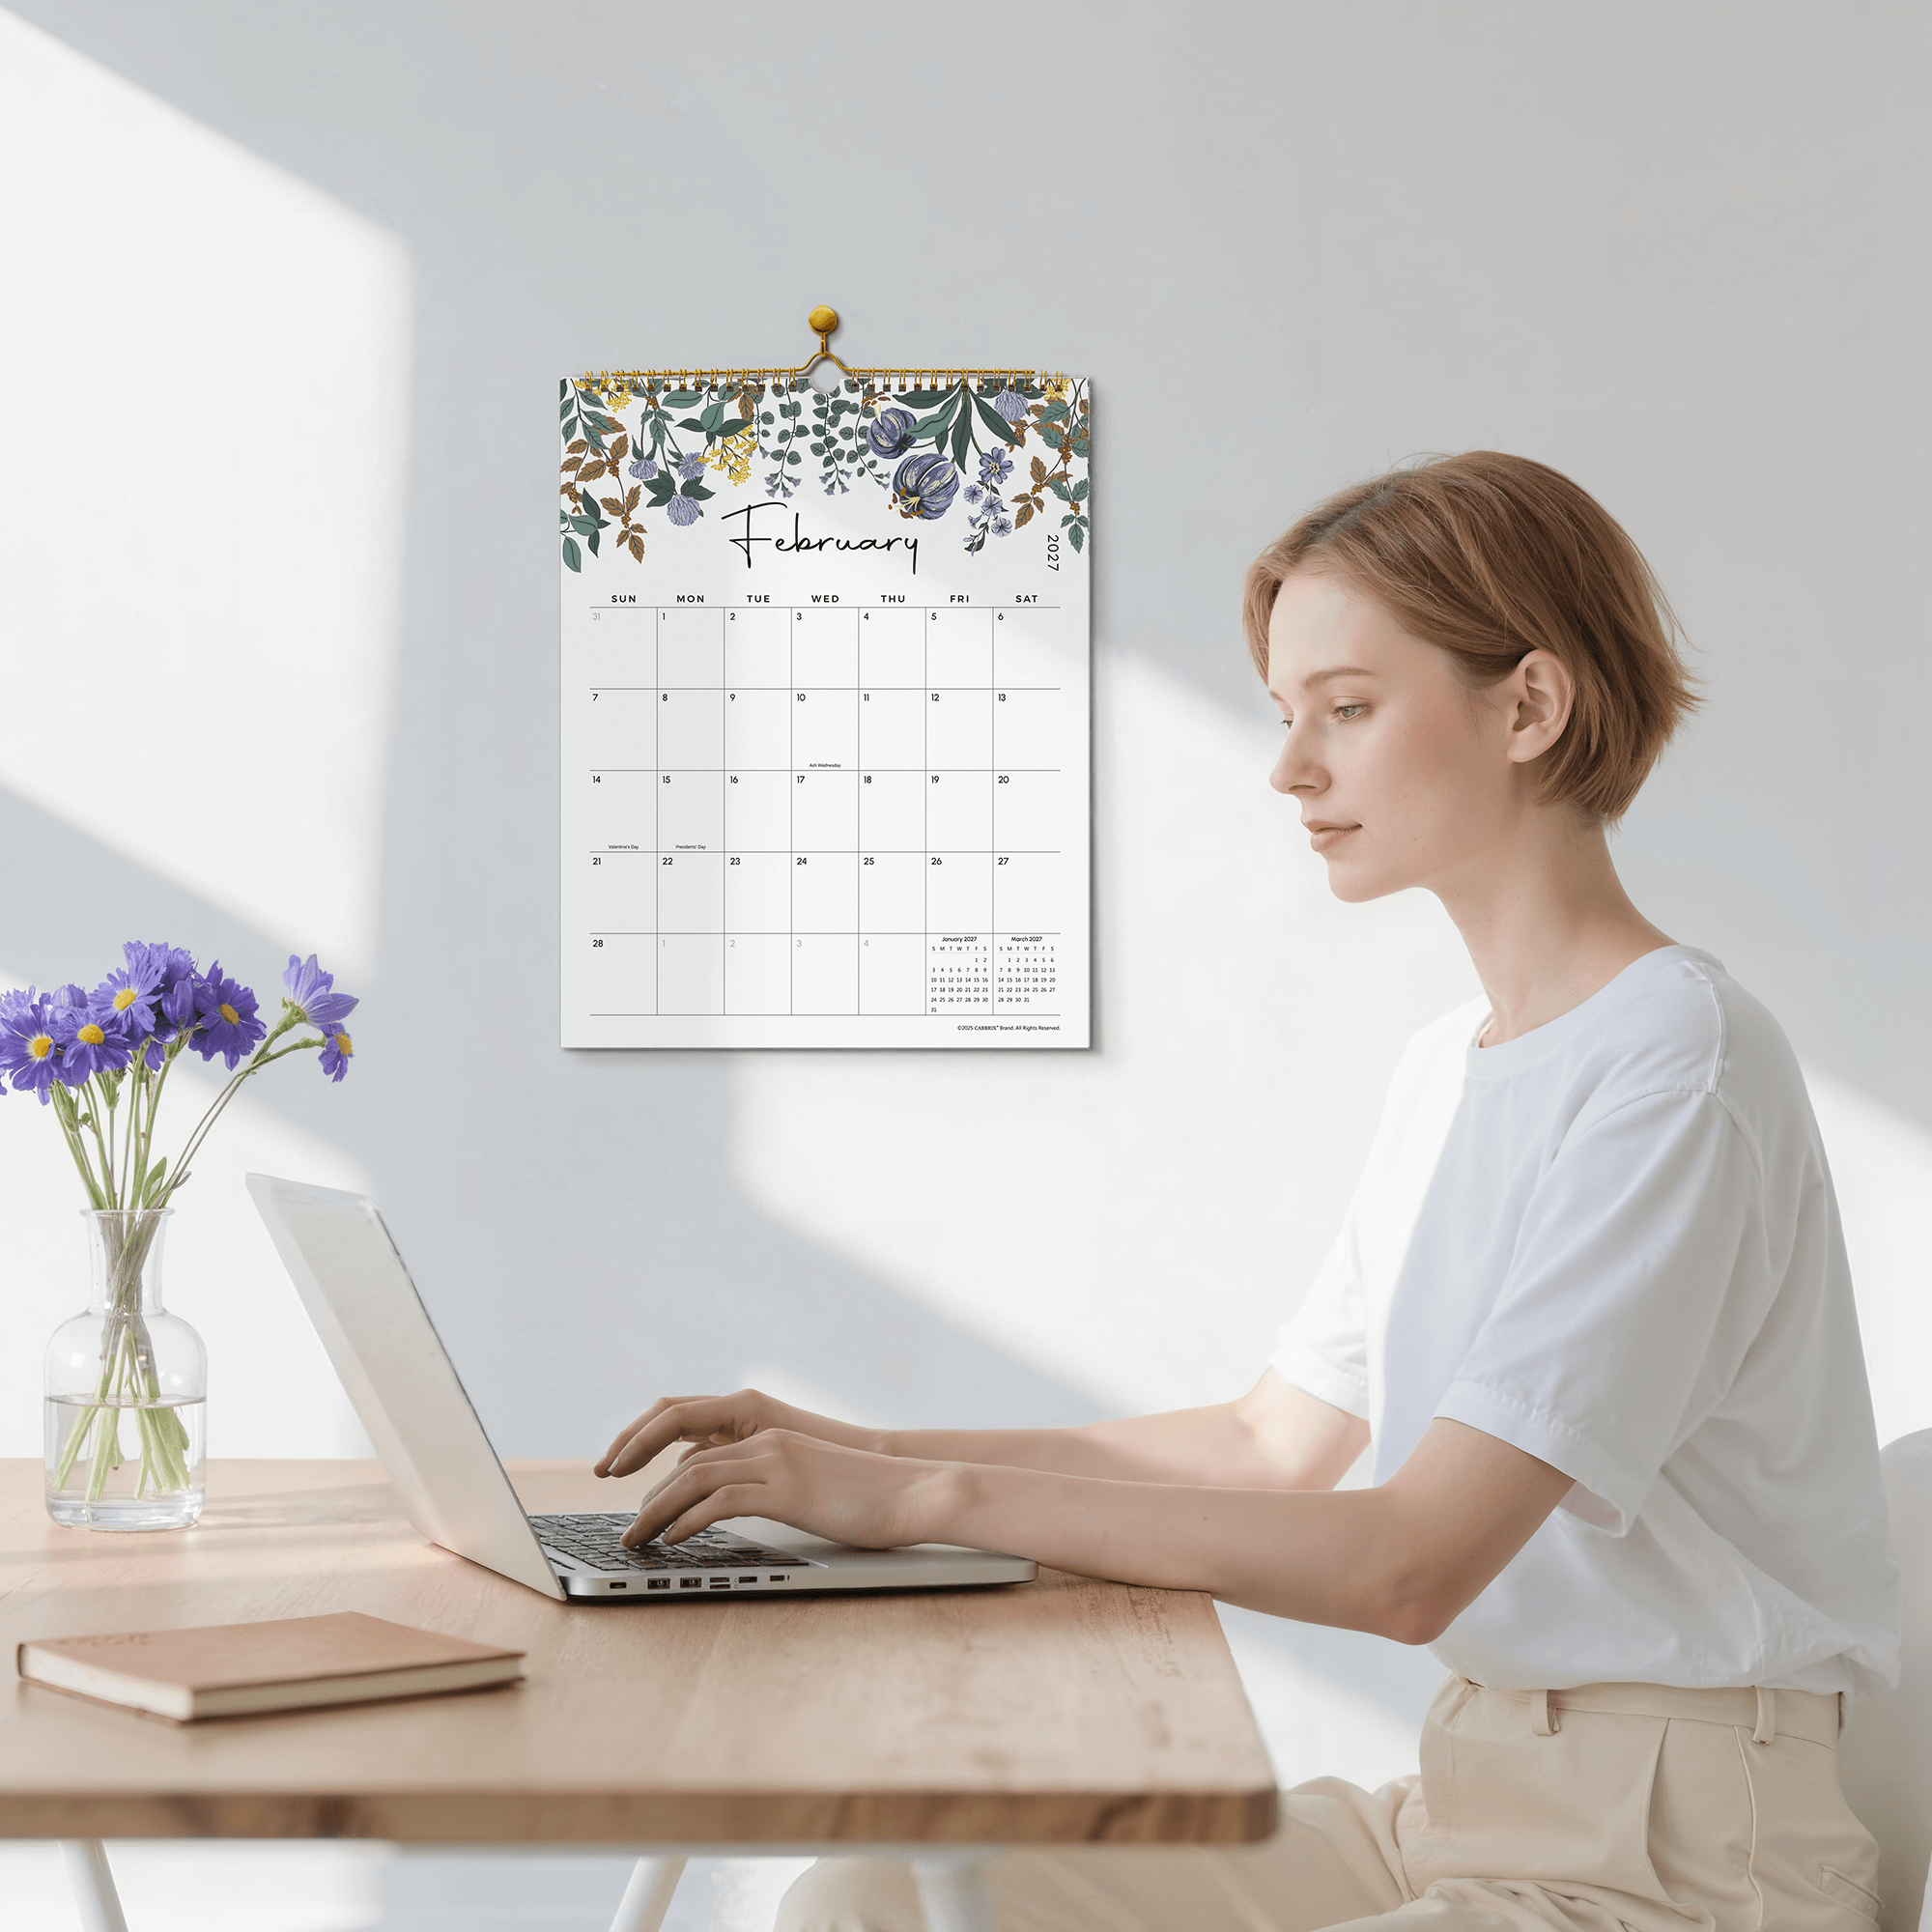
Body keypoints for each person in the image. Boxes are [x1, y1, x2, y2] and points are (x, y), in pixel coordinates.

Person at [594, 452, 1901, 1932]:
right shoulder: (1451, 1069)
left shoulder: (1679, 1063)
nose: (1289, 767)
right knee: (877, 1894)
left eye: (1346, 707)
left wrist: (925, 1503)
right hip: (1462, 1808)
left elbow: (1412, 1560)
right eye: (1289, 716)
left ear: (1529, 707)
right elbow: (1268, 1442)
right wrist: (847, 1450)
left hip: (1681, 1870)